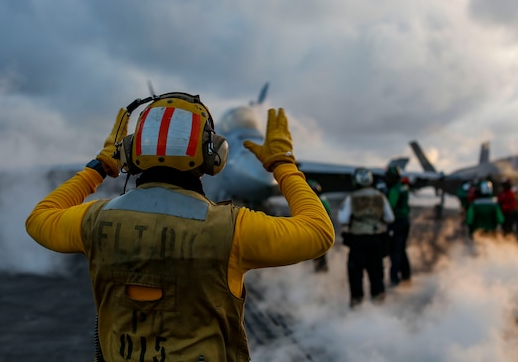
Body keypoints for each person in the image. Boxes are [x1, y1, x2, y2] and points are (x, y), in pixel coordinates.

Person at [26, 92, 335, 362]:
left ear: (132, 153)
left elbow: (39, 218)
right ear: (213, 156)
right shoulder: (232, 229)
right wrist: (283, 165)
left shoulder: (95, 219)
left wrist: (100, 167)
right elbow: (319, 232)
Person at [338, 167, 394, 308]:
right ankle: (379, 306)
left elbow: (343, 218)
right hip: (376, 241)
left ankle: (357, 307)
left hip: (358, 241)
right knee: (376, 274)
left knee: (356, 275)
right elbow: (390, 217)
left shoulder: (352, 198)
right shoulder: (380, 196)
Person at [384, 165, 411, 287]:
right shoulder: (403, 187)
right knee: (402, 249)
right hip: (405, 221)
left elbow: (390, 206)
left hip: (396, 222)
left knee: (395, 250)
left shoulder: (395, 189)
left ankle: (394, 278)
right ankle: (406, 275)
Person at [308, 179, 333, 272]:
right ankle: (321, 269)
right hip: (321, 228)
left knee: (318, 252)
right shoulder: (321, 198)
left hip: (316, 229)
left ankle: (320, 270)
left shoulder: (314, 200)